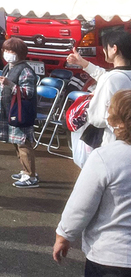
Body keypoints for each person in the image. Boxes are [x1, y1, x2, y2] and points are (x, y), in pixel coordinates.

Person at [54, 89, 131, 275]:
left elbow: (81, 204)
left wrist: (64, 234)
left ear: (117, 121)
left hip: (111, 255)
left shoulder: (105, 157)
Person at [0, 37, 40, 188]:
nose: (7, 53)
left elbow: (28, 93)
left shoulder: (25, 70)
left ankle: (31, 175)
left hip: (20, 111)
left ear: (20, 53)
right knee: (16, 142)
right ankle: (25, 171)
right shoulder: (9, 67)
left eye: (11, 51)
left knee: (23, 142)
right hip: (10, 109)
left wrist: (10, 84)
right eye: (6, 50)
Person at [68, 30, 131, 152]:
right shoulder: (117, 76)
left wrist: (92, 99)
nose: (103, 50)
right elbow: (104, 75)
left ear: (114, 49)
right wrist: (83, 63)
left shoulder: (110, 79)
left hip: (113, 141)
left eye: (105, 47)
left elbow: (97, 118)